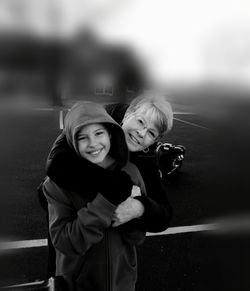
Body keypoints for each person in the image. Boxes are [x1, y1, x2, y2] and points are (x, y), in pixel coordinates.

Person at [43, 102, 147, 291]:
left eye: (99, 133)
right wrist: (106, 204)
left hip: (122, 281)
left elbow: (138, 237)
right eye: (82, 137)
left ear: (110, 134)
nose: (93, 143)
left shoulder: (131, 174)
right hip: (78, 284)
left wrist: (134, 215)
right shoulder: (57, 185)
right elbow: (65, 242)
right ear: (73, 143)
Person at [46, 93, 173, 232]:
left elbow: (164, 215)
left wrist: (139, 208)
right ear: (128, 114)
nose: (142, 133)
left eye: (151, 133)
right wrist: (113, 188)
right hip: (69, 220)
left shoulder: (146, 156)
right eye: (141, 122)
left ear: (154, 141)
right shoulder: (98, 118)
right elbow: (54, 163)